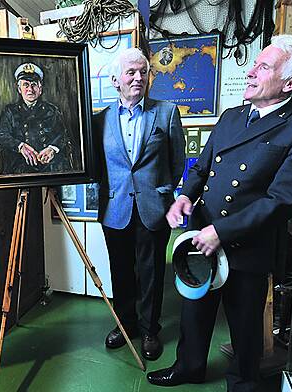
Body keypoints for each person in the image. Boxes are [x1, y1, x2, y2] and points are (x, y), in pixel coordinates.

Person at [147, 35, 292, 391]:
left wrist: (223, 232)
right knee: (194, 311)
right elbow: (200, 168)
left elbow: (283, 200)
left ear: (291, 82)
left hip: (245, 246)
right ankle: (189, 367)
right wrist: (184, 197)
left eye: (263, 66)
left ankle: (243, 383)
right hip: (202, 235)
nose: (250, 71)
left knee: (245, 328)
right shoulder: (232, 117)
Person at [93, 48, 185, 361]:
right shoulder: (99, 120)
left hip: (153, 207)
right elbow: (97, 167)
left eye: (143, 72)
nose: (138, 77)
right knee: (120, 271)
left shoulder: (166, 112)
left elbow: (177, 160)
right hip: (115, 206)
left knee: (152, 271)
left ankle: (149, 329)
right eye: (131, 72)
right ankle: (125, 324)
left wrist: (163, 191)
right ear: (115, 79)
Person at [0, 62, 74, 174]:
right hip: (20, 164)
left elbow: (63, 134)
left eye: (34, 85)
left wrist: (52, 148)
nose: (30, 90)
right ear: (19, 89)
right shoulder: (10, 111)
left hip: (50, 164)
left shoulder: (52, 110)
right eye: (26, 85)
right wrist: (20, 146)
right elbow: (1, 134)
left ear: (40, 88)